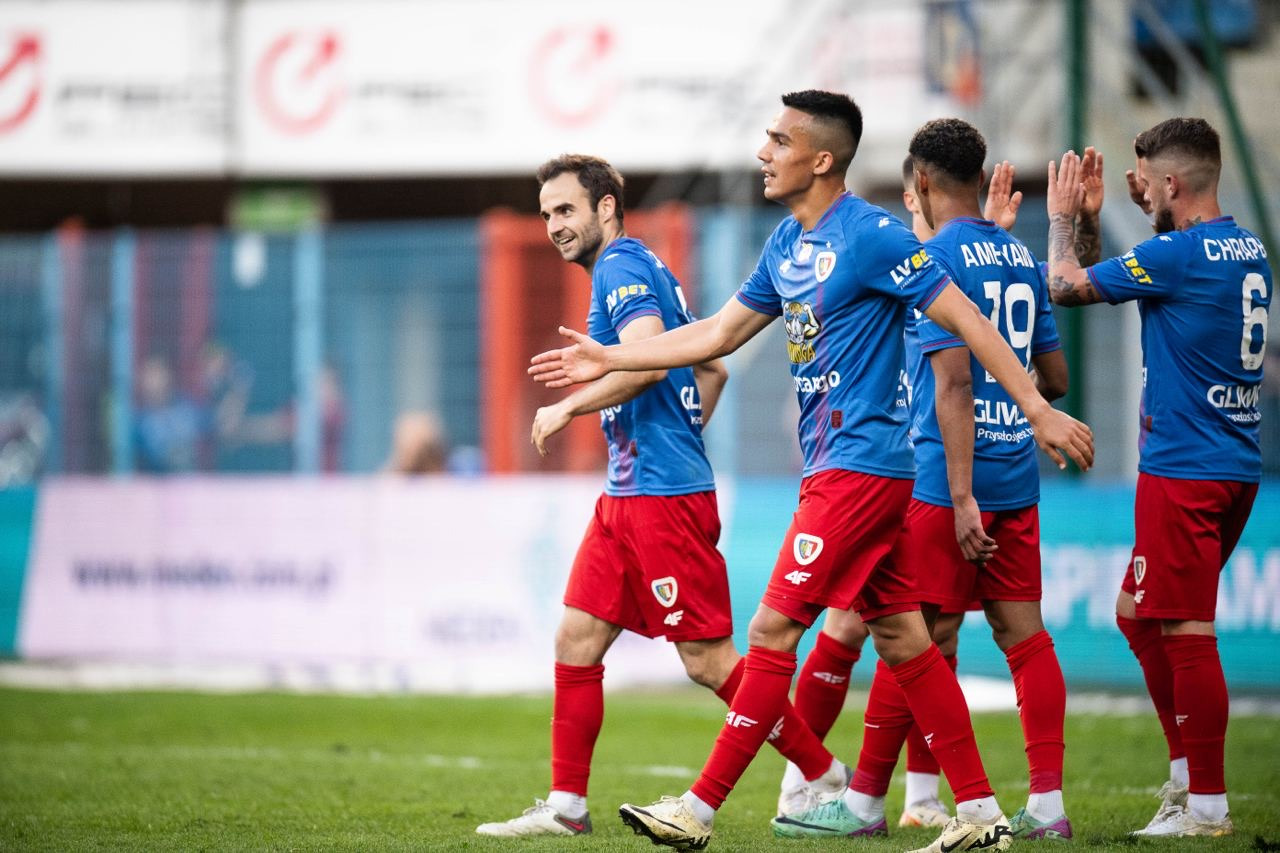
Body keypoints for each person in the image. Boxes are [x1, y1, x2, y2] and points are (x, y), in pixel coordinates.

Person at [530, 92, 1093, 853]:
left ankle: (699, 808)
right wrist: (611, 357)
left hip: (861, 468)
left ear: (821, 159)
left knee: (771, 629)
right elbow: (717, 336)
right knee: (904, 638)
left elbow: (965, 317)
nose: (763, 152)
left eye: (778, 139)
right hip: (840, 466)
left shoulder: (870, 235)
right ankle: (982, 811)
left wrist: (1036, 407)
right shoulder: (787, 244)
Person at [476, 154, 850, 838]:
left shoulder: (619, 266)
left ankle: (823, 772)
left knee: (708, 661)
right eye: (547, 213)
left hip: (662, 499)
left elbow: (646, 360)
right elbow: (711, 368)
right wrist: (678, 433)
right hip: (630, 492)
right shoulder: (645, 266)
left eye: (566, 210)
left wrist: (570, 406)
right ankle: (566, 806)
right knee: (577, 637)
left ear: (606, 208)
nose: (555, 225)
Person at [791, 118, 1094, 844]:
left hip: (941, 479)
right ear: (977, 175)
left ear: (921, 182)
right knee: (1025, 639)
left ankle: (865, 800)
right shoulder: (1017, 255)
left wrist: (960, 497)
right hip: (1016, 470)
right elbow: (1054, 378)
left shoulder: (930, 259)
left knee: (911, 637)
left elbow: (952, 384)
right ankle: (1045, 805)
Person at [775, 151, 1021, 828]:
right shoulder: (891, 266)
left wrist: (983, 246)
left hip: (909, 468)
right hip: (898, 465)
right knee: (877, 627)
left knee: (917, 631)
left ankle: (906, 796)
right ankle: (821, 787)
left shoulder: (916, 268)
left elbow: (957, 369)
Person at [1045, 118, 1270, 838]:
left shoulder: (1175, 255)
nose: (1139, 192)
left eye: (1144, 182)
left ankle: (1206, 805)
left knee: (1186, 630)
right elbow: (1123, 275)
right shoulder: (1244, 247)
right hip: (1232, 464)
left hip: (1183, 468)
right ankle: (1184, 775)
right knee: (1136, 614)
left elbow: (1065, 286)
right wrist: (1096, 224)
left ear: (1172, 182)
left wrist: (1061, 220)